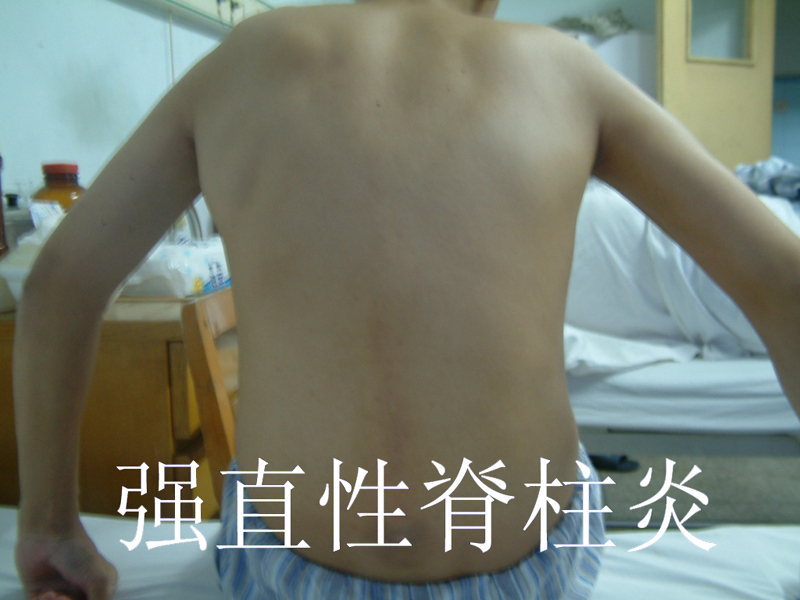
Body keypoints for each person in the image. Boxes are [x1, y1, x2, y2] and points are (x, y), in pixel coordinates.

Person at [14, 0, 800, 598]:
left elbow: (58, 282)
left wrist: (50, 527)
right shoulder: (561, 67)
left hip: (286, 571)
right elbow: (782, 280)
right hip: (528, 570)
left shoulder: (239, 63)